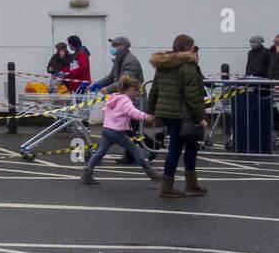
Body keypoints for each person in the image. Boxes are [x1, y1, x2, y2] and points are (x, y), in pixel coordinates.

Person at [147, 34, 209, 198]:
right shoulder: (188, 66)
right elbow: (192, 95)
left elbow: (154, 89)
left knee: (190, 145)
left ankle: (190, 182)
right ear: (188, 47)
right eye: (193, 47)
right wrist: (201, 117)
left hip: (166, 112)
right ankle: (168, 187)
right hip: (182, 113)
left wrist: (151, 110)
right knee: (176, 147)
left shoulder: (163, 63)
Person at [80, 75, 160, 185]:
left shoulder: (113, 97)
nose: (138, 94)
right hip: (117, 132)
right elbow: (133, 112)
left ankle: (87, 174)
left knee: (100, 152)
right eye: (137, 91)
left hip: (107, 129)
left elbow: (104, 110)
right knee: (136, 152)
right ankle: (153, 175)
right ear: (131, 89)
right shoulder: (126, 101)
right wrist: (147, 117)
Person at [92, 36, 149, 165]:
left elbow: (124, 82)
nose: (113, 48)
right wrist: (97, 84)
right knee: (130, 130)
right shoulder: (119, 59)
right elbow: (112, 77)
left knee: (131, 129)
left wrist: (107, 89)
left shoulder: (131, 61)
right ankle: (134, 154)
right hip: (125, 99)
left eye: (115, 46)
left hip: (134, 99)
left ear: (123, 46)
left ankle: (148, 149)